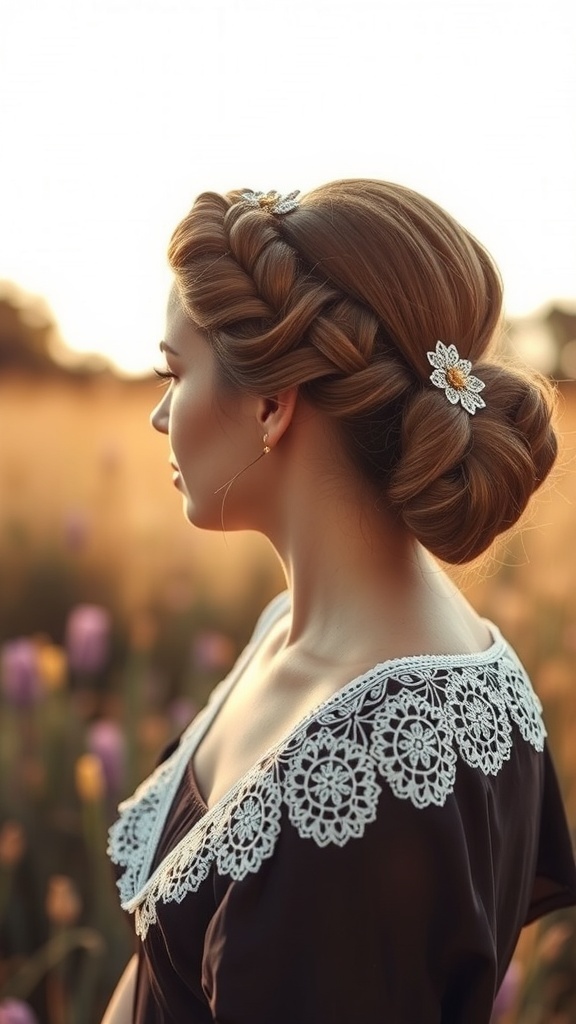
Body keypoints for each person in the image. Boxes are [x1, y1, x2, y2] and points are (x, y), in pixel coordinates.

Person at [104, 180, 576, 1024]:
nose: (159, 413)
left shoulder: (371, 789)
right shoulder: (291, 627)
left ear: (273, 405)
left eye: (175, 373)